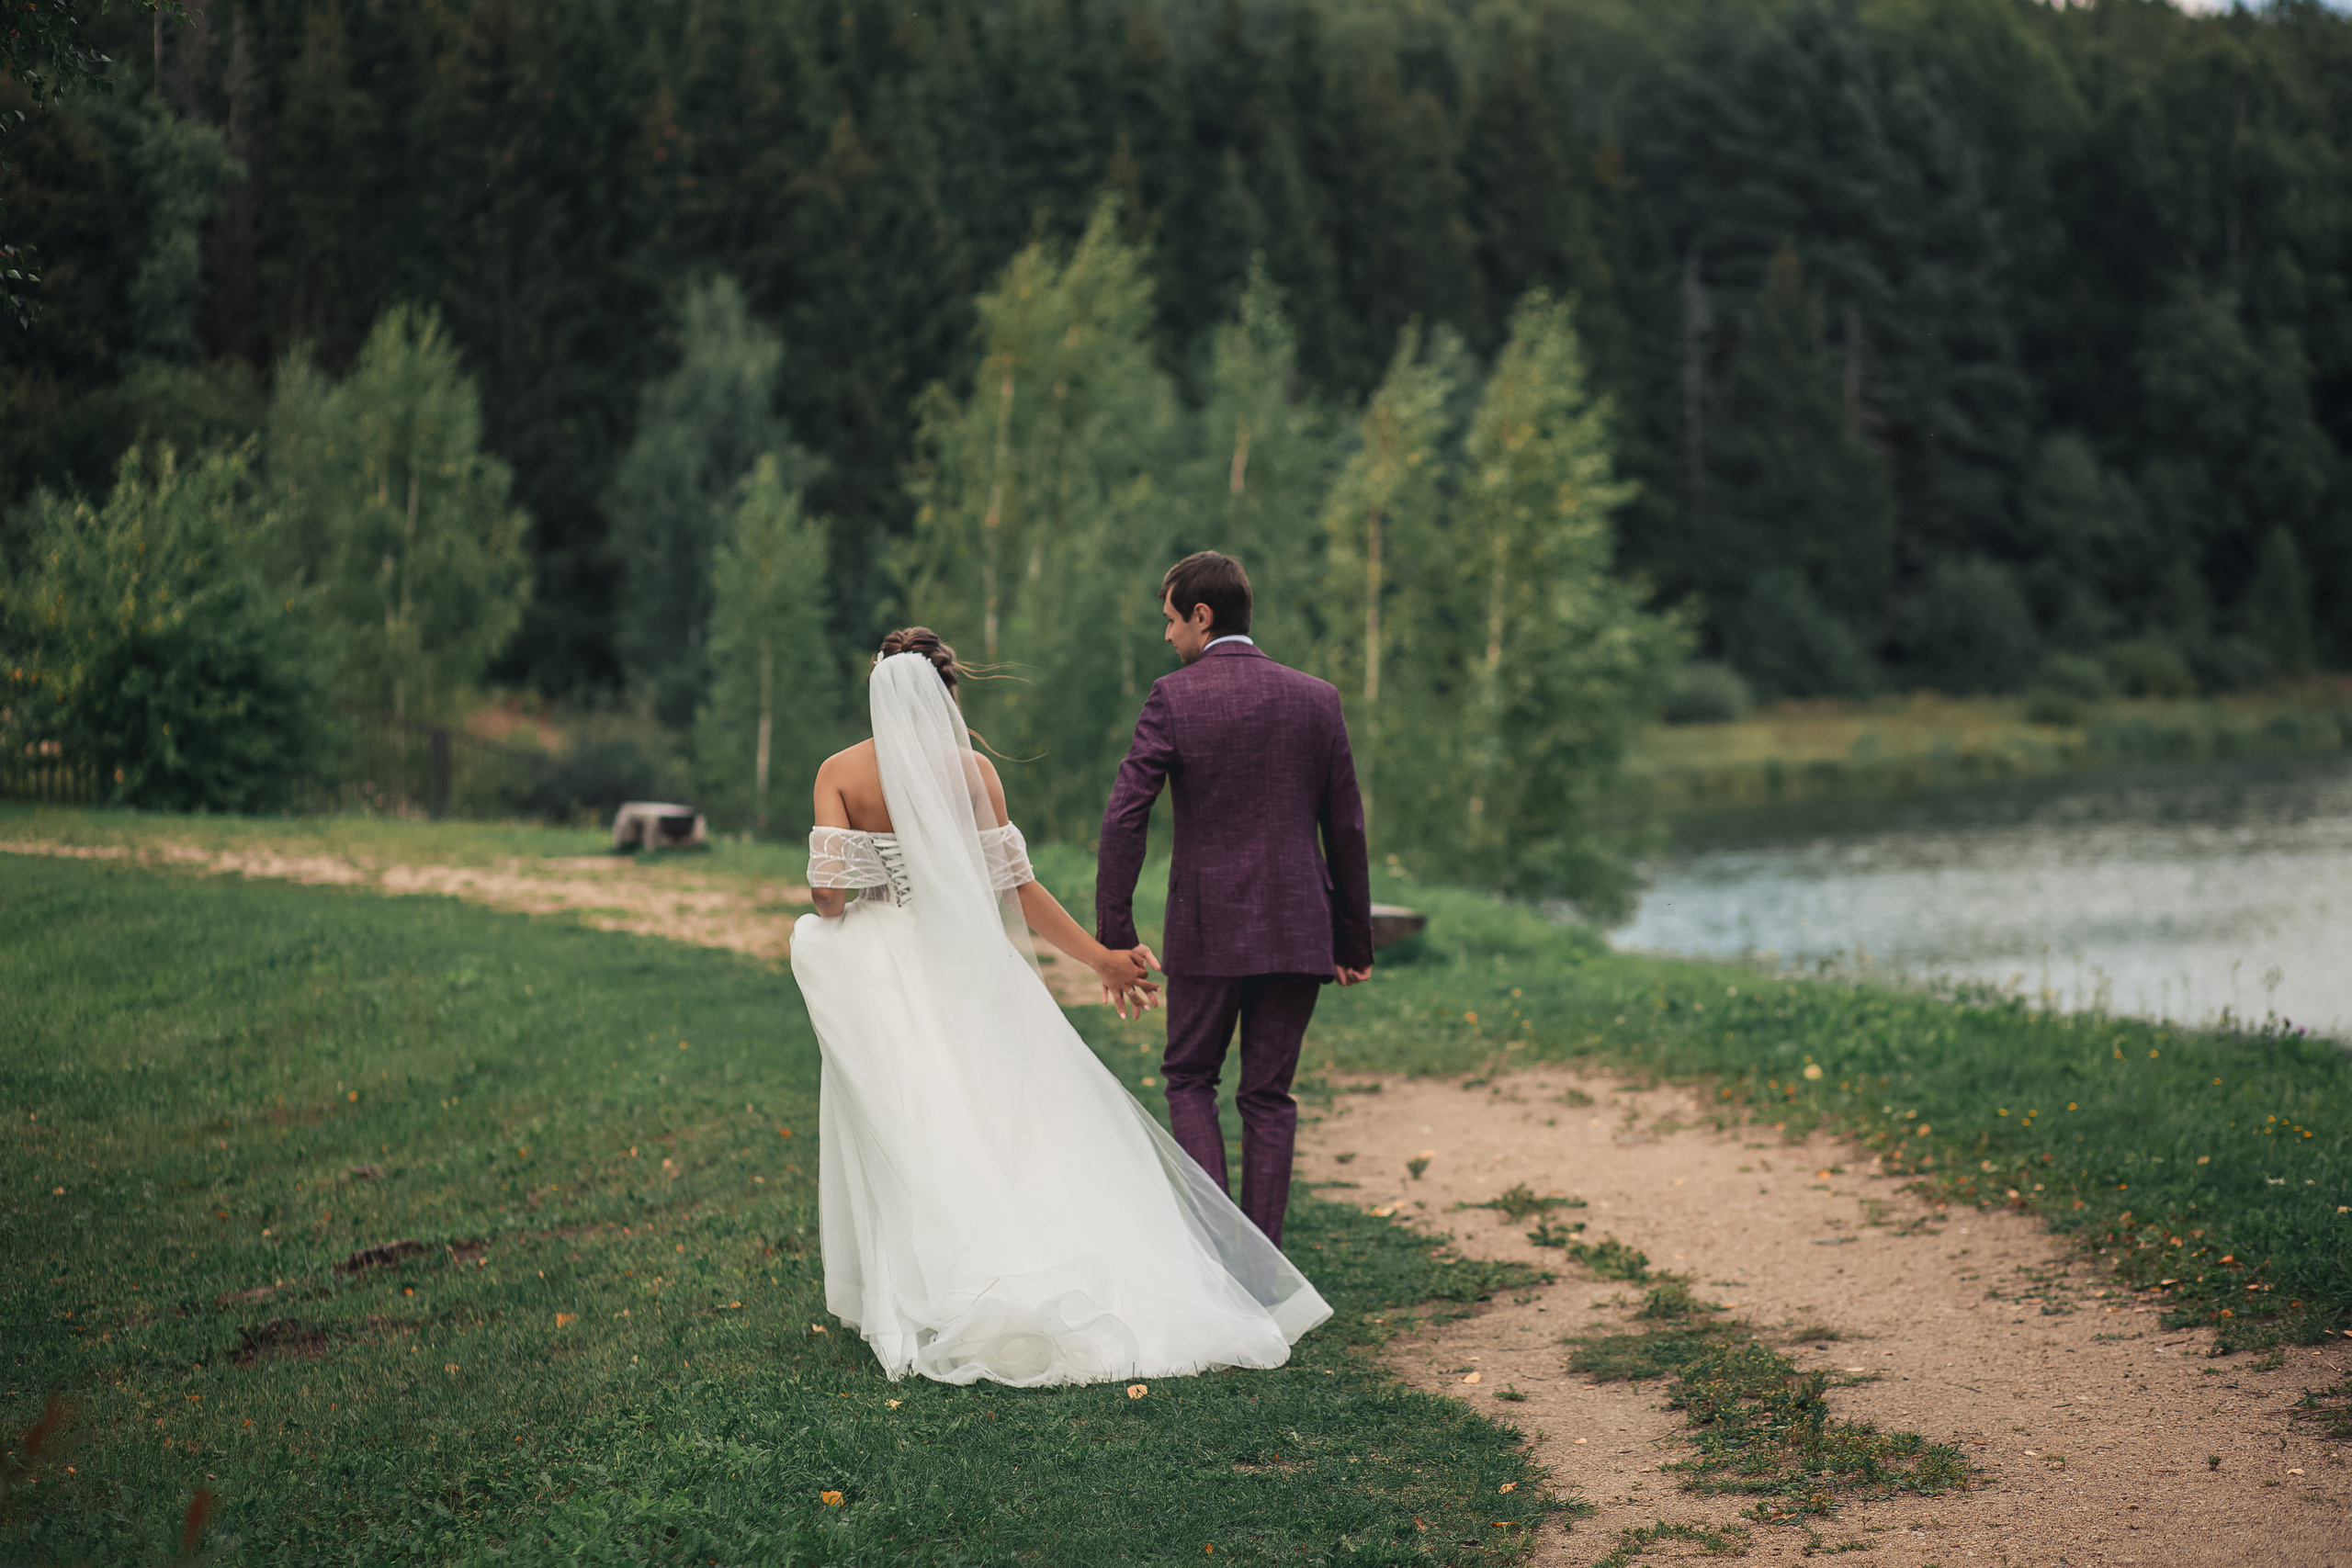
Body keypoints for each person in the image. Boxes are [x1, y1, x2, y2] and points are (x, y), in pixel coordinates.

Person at [791, 627, 1330, 1386]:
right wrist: (1104, 957)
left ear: (879, 688)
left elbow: (830, 896)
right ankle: (1023, 1258)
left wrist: (849, 882)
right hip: (969, 965)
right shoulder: (973, 772)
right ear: (946, 690)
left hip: (884, 966)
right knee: (1006, 1119)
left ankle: (929, 1285)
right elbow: (1018, 891)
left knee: (911, 1118)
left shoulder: (840, 772)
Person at [1097, 552, 1374, 1247]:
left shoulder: (1174, 697)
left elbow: (1126, 815)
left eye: (1170, 620)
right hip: (1298, 925)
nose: (1167, 637)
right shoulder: (1319, 697)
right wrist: (1353, 939)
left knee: (1190, 1077)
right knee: (1268, 1096)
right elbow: (1346, 828)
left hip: (1206, 928)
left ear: (1202, 614)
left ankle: (1224, 1262)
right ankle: (1265, 1271)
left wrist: (1115, 931)